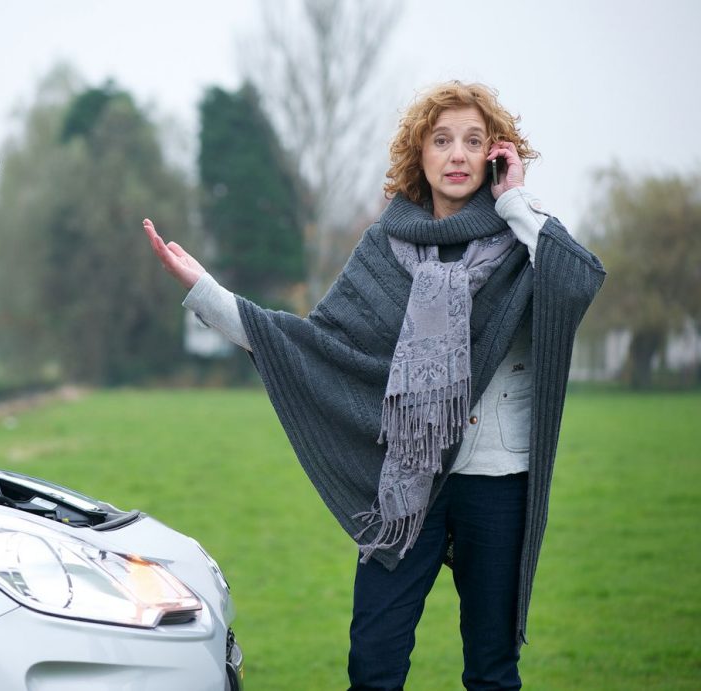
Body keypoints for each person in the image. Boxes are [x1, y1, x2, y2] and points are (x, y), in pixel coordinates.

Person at [143, 81, 605, 690]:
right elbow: (315, 348)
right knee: (373, 664)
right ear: (420, 154)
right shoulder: (385, 249)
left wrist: (515, 200)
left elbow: (578, 283)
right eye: (442, 140)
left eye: (473, 141)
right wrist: (207, 292)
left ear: (496, 152)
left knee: (492, 671)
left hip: (498, 483)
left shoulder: (525, 244)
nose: (457, 154)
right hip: (407, 488)